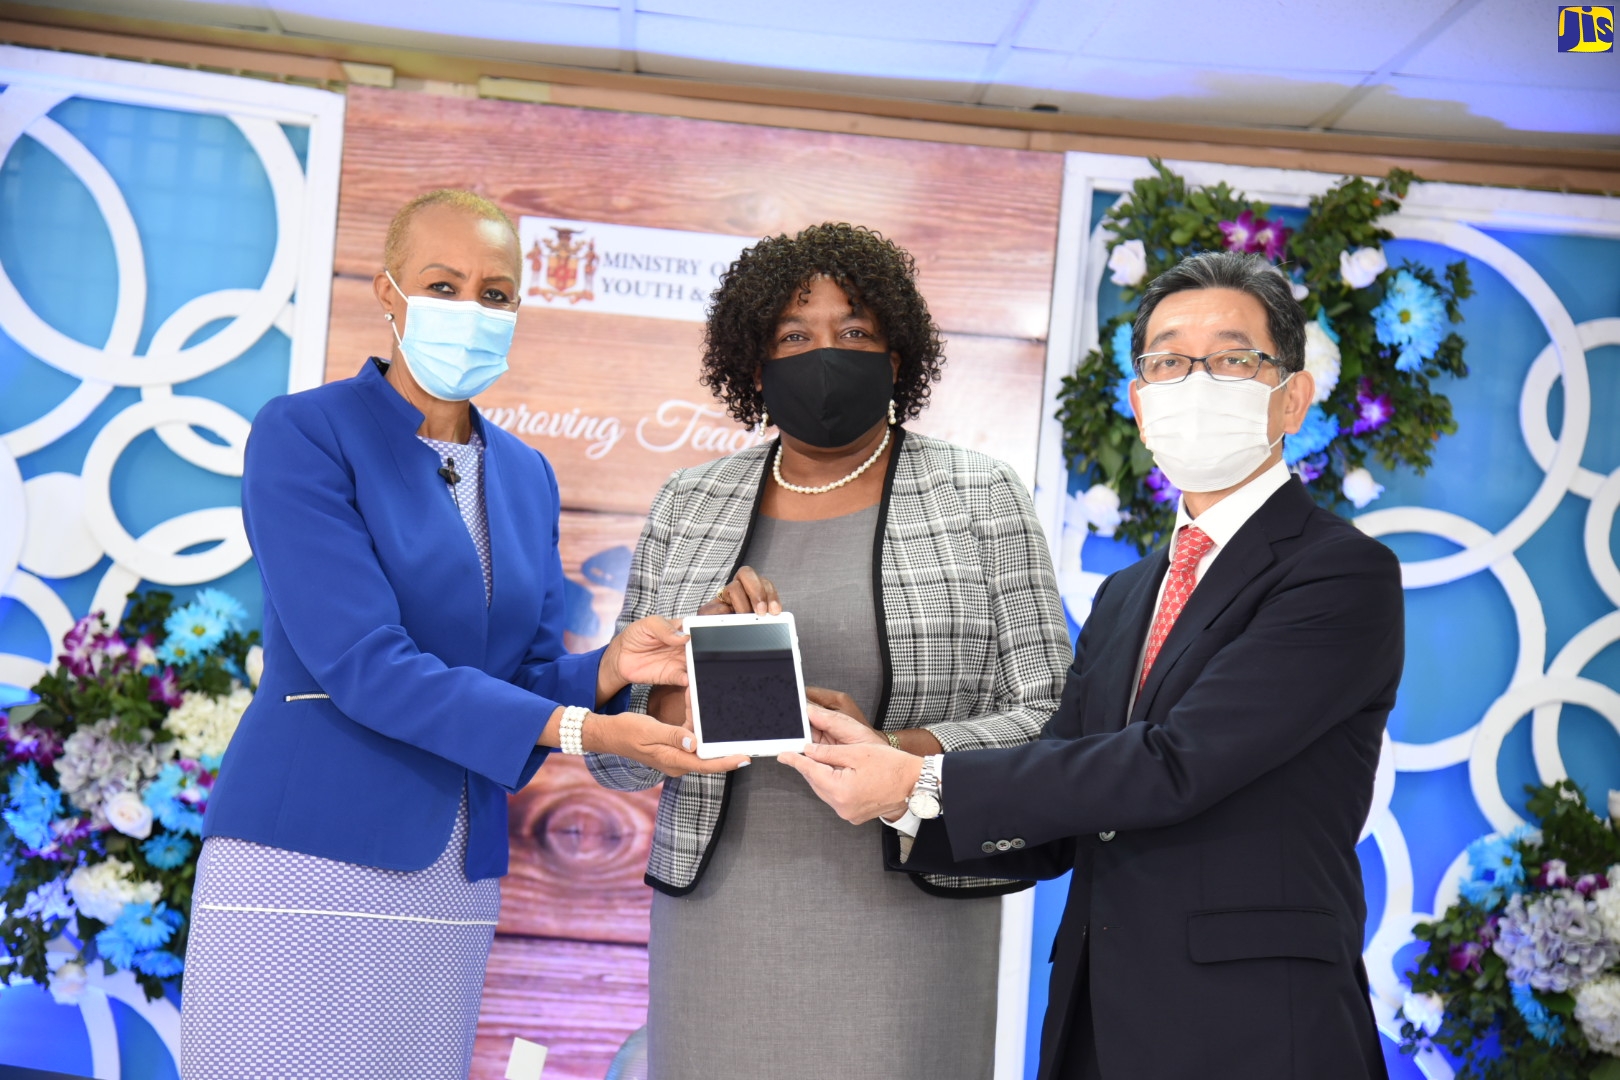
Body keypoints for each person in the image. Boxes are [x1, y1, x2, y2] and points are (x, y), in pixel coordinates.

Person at [783, 250, 1404, 1080]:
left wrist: (919, 783)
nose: (1195, 382)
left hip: (1258, 1029)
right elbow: (1064, 800)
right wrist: (899, 783)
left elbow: (1177, 763)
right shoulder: (1125, 593)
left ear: (1291, 396)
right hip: (1097, 1021)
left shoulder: (1339, 571)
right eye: (1168, 362)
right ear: (1141, 405)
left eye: (1229, 358)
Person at [179, 189, 745, 1080]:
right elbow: (367, 665)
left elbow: (516, 675)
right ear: (389, 292)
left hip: (452, 881)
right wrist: (582, 730)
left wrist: (605, 672)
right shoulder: (305, 435)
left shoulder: (525, 476)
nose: (471, 310)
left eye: (495, 293)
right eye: (443, 284)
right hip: (302, 860)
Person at [586, 223, 1072, 1080]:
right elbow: (620, 759)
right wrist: (680, 705)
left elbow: (1056, 716)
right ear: (753, 360)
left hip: (910, 922)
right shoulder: (691, 502)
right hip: (721, 924)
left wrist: (901, 752)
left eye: (853, 332)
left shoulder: (981, 496)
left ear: (898, 355)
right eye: (794, 336)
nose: (825, 354)